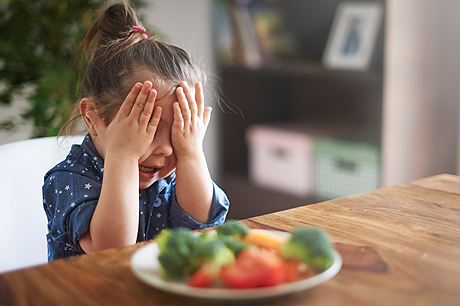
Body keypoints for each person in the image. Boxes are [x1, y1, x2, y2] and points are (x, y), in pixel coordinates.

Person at [42, 2, 229, 261]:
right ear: (93, 119)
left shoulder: (174, 172)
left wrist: (191, 153)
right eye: (148, 130)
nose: (166, 148)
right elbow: (112, 249)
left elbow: (203, 226)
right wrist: (124, 157)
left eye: (177, 132)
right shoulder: (68, 179)